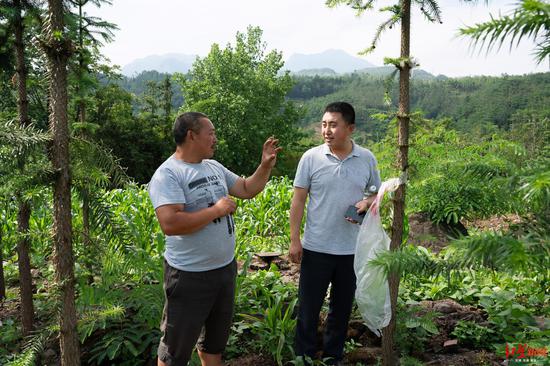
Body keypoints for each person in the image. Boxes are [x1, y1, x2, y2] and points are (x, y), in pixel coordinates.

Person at [148, 112, 281, 366]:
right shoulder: (169, 174)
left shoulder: (213, 167)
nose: (215, 139)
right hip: (189, 276)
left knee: (213, 346)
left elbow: (245, 188)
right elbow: (170, 223)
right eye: (211, 133)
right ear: (191, 135)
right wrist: (216, 211)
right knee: (173, 353)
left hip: (223, 270)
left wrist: (264, 166)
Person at [289, 102, 381, 366]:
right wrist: (295, 240)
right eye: (324, 124)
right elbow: (298, 202)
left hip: (351, 249)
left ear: (350, 128)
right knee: (308, 309)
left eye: (333, 124)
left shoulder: (366, 158)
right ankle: (303, 358)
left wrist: (367, 202)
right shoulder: (311, 158)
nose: (326, 130)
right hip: (316, 247)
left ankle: (333, 358)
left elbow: (375, 192)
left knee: (340, 310)